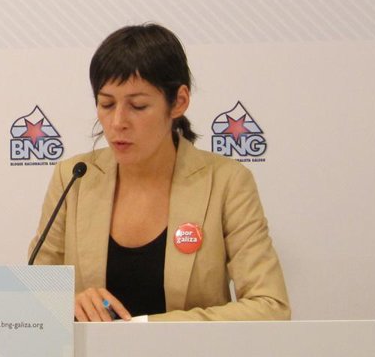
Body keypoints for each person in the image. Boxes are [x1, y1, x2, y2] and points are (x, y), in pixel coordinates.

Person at [29, 24, 289, 322]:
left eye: (138, 106)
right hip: (92, 354)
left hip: (190, 353)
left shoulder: (226, 182)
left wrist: (146, 328)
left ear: (179, 102)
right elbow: (33, 295)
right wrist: (67, 303)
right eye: (106, 104)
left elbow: (270, 305)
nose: (117, 122)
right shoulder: (74, 177)